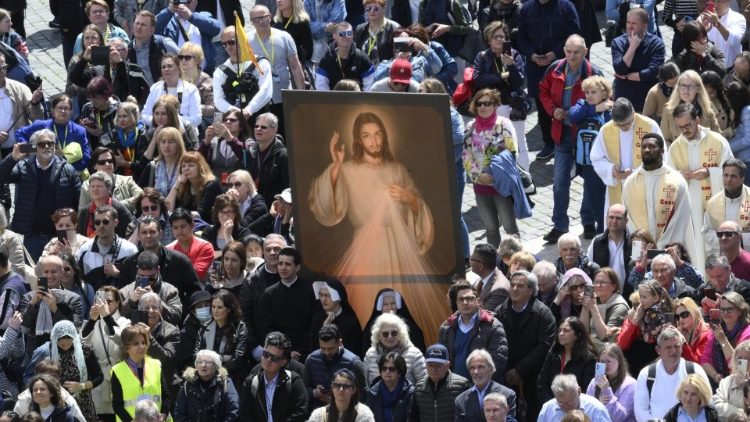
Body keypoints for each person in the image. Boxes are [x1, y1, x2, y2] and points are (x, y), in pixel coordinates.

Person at [309, 111, 437, 287]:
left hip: (400, 249)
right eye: (367, 136)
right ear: (359, 140)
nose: (374, 141)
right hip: (365, 250)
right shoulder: (348, 170)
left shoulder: (397, 169)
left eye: (378, 134)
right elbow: (328, 210)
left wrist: (411, 200)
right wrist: (336, 166)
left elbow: (420, 210)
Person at [539, 35, 603, 243]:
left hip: (586, 137)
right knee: (559, 183)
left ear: (585, 51)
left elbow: (605, 102)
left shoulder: (594, 73)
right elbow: (543, 91)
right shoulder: (555, 69)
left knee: (590, 182)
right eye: (568, 51)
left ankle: (588, 221)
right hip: (562, 134)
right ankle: (559, 225)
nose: (572, 56)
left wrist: (586, 110)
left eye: (576, 52)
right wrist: (553, 110)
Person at [665, 102, 734, 271]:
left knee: (717, 247)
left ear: (698, 120)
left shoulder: (718, 141)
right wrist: (680, 176)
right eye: (680, 127)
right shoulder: (675, 147)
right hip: (690, 209)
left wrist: (710, 173)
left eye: (688, 125)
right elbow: (668, 180)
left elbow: (732, 170)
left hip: (715, 204)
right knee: (695, 249)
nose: (685, 130)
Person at [493, 270, 556, 420]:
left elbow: (545, 347)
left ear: (531, 290)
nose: (514, 289)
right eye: (512, 285)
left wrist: (519, 371)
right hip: (506, 376)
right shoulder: (500, 311)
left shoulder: (543, 314)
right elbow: (496, 343)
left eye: (520, 286)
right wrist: (508, 371)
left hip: (534, 377)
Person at [462, 89, 521, 247]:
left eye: (487, 103)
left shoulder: (504, 124)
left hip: (501, 185)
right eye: (479, 103)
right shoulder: (470, 127)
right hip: (481, 186)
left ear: (495, 105)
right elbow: (466, 155)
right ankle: (493, 262)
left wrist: (495, 175)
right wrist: (478, 176)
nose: (483, 107)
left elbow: (512, 152)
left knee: (510, 227)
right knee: (491, 228)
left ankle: (516, 259)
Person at [622, 132, 695, 252]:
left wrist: (663, 243)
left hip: (669, 245)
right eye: (643, 147)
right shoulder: (631, 182)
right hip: (639, 245)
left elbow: (682, 214)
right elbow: (628, 216)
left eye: (651, 147)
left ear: (662, 151)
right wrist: (641, 239)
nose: (646, 150)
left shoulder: (676, 180)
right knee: (638, 269)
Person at [590, 98, 662, 219]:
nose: (624, 128)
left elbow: (661, 156)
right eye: (619, 125)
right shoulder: (607, 130)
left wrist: (636, 173)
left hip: (645, 185)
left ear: (633, 113)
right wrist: (611, 170)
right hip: (618, 187)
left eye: (627, 124)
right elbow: (596, 158)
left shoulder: (649, 126)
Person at [26, 321, 103, 422]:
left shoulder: (85, 350)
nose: (65, 343)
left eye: (69, 339)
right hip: (55, 404)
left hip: (84, 404)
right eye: (61, 339)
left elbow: (99, 377)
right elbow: (31, 376)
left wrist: (81, 386)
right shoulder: (46, 351)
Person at [567, 75, 613, 237]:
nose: (589, 95)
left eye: (593, 92)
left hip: (608, 162)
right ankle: (601, 233)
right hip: (588, 164)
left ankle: (607, 230)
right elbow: (572, 115)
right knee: (595, 199)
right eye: (587, 92)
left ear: (604, 93)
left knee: (608, 197)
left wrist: (604, 109)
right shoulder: (583, 105)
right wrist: (593, 109)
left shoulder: (611, 109)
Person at [249, 4, 305, 135]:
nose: (260, 21)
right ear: (251, 22)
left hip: (283, 96)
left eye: (263, 17)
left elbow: (295, 67)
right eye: (256, 19)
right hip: (259, 99)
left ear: (270, 17)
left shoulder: (284, 36)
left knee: (285, 134)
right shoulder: (246, 40)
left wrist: (301, 94)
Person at [633, 326, 711, 421]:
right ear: (658, 350)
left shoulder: (695, 370)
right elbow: (640, 410)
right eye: (668, 347)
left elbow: (708, 402)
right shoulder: (647, 374)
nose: (673, 351)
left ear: (682, 347)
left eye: (677, 346)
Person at [437, 280, 507, 381]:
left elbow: (498, 362)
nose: (465, 303)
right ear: (456, 303)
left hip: (482, 387)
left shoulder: (493, 326)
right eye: (461, 299)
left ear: (477, 301)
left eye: (469, 298)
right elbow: (441, 361)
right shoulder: (446, 328)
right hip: (453, 388)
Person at [255, 247, 316, 358]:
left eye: (287, 264)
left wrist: (299, 350)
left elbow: (312, 324)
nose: (283, 268)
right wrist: (283, 351)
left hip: (303, 353)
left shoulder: (309, 290)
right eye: (280, 263)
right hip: (277, 354)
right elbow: (265, 327)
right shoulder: (269, 294)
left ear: (297, 267)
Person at [81, 285, 130, 422]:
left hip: (118, 376)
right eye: (102, 300)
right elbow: (82, 344)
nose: (105, 304)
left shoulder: (125, 322)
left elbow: (122, 340)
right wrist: (92, 320)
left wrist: (107, 316)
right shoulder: (91, 323)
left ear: (117, 303)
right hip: (98, 380)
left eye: (109, 301)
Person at [19, 255, 83, 357]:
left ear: (62, 273)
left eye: (54, 272)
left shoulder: (73, 299)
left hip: (63, 354)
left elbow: (74, 330)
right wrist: (33, 304)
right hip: (34, 355)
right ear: (41, 274)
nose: (49, 276)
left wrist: (55, 309)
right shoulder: (29, 297)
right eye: (46, 272)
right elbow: (23, 329)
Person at [238, 332, 308, 421]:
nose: (268, 360)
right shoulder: (251, 381)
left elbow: (301, 413)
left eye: (274, 358)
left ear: (283, 362)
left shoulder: (294, 381)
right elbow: (245, 414)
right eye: (266, 354)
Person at [110, 324, 170, 422]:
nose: (141, 346)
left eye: (143, 342)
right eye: (136, 344)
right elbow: (117, 405)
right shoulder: (117, 371)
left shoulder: (156, 365)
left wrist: (163, 415)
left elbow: (165, 395)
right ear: (126, 348)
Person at [610, 8, 666, 112]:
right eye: (628, 22)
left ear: (644, 26)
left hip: (647, 101)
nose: (629, 26)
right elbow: (620, 69)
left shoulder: (656, 44)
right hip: (623, 101)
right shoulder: (617, 42)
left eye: (634, 23)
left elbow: (653, 72)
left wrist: (626, 77)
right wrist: (632, 48)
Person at [212, 26, 273, 120]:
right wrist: (236, 112)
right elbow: (218, 99)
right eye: (224, 44)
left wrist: (249, 110)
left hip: (258, 118)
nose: (228, 47)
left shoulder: (260, 63)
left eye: (231, 42)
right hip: (232, 120)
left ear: (243, 40)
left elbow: (266, 91)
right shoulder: (220, 71)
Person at [617, 280, 675, 374]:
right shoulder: (660, 309)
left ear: (655, 298)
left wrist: (639, 321)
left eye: (644, 297)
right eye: (640, 297)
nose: (641, 301)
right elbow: (622, 344)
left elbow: (648, 339)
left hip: (655, 351)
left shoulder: (652, 312)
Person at [75, 204, 138, 290]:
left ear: (115, 223)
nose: (101, 226)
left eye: (105, 222)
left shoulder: (130, 249)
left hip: (121, 300)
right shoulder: (84, 249)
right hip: (92, 301)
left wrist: (117, 274)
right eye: (97, 222)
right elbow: (78, 280)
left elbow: (136, 282)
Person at [194, 290, 249, 386]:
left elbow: (238, 358)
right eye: (213, 307)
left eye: (220, 307)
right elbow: (197, 353)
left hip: (231, 378)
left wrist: (218, 366)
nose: (215, 311)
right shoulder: (205, 326)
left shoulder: (240, 328)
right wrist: (222, 358)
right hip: (205, 376)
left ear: (229, 309)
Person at [537, 317, 597, 405]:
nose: (561, 333)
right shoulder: (554, 354)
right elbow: (542, 383)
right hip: (552, 405)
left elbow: (588, 390)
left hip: (575, 408)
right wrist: (553, 404)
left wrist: (567, 404)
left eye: (566, 331)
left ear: (577, 335)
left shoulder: (588, 359)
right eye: (560, 330)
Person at [173, 349, 239, 422]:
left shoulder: (225, 383)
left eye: (208, 362)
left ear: (216, 365)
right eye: (200, 362)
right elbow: (179, 413)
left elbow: (234, 410)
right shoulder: (187, 385)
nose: (203, 365)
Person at [154, 0, 221, 73]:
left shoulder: (203, 15)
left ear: (195, 3)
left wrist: (191, 16)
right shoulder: (168, 20)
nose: (184, 4)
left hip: (203, 73)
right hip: (177, 74)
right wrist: (169, 10)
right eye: (181, 1)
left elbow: (216, 29)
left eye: (188, 1)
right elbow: (152, 30)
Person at [410, 343, 470, 422]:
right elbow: (414, 417)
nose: (434, 369)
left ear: (447, 365)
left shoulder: (462, 386)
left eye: (438, 365)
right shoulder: (419, 388)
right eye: (430, 365)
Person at [701, 292, 750, 387]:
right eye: (722, 309)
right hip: (721, 383)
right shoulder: (717, 329)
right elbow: (704, 360)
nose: (725, 313)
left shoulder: (747, 332)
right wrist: (715, 375)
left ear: (740, 311)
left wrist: (723, 340)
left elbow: (739, 367)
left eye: (730, 309)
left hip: (742, 384)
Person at [363, 312, 426, 386]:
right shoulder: (370, 354)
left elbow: (423, 383)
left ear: (401, 334)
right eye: (385, 334)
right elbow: (364, 383)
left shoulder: (414, 354)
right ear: (378, 336)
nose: (390, 337)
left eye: (394, 333)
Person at [454, 349, 517, 421]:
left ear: (491, 369)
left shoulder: (507, 394)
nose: (476, 372)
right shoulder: (460, 400)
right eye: (472, 368)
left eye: (480, 367)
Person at [0, 52, 43, 158]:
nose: (2, 71)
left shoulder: (20, 88)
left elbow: (37, 120)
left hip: (22, 149)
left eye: (4, 67)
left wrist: (35, 103)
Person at [660, 70, 721, 144]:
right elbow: (664, 140)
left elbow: (718, 137)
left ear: (698, 89)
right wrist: (675, 153)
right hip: (678, 153)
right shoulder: (668, 110)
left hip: (703, 152)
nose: (686, 90)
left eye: (690, 86)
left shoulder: (707, 108)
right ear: (678, 87)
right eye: (683, 85)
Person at [703, 160, 750, 255]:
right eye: (726, 175)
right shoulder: (713, 202)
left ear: (742, 178)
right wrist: (724, 240)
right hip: (722, 256)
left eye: (733, 176)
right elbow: (707, 230)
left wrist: (739, 240)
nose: (728, 179)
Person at [141, 57, 202, 128]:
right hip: (159, 132)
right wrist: (159, 121)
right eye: (163, 67)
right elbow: (145, 115)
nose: (166, 69)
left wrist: (173, 121)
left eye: (170, 66)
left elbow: (197, 118)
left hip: (185, 133)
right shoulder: (155, 88)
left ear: (179, 69)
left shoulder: (191, 89)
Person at [580, 268, 629, 353]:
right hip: (591, 348)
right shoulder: (596, 299)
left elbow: (605, 336)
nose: (598, 286)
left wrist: (593, 308)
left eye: (603, 283)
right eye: (596, 282)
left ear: (614, 286)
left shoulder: (620, 306)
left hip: (608, 354)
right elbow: (582, 331)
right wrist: (585, 306)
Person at [79, 148, 143, 214]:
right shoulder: (86, 186)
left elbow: (141, 194)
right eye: (102, 162)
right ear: (94, 165)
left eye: (110, 161)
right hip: (99, 223)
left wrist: (117, 205)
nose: (107, 164)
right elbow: (82, 213)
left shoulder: (127, 180)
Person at [361, 289, 425, 353]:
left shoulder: (411, 327)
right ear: (380, 307)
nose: (390, 307)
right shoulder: (371, 329)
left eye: (393, 303)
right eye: (385, 304)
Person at [309, 281, 363, 357]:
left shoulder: (350, 323)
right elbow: (313, 349)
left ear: (338, 298)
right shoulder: (317, 319)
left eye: (328, 295)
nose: (323, 299)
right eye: (321, 295)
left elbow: (354, 352)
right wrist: (325, 326)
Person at [316, 22, 374, 91]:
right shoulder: (326, 59)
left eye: (349, 33)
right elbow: (322, 87)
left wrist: (362, 101)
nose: (346, 37)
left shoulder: (362, 58)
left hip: (357, 100)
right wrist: (330, 101)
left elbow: (369, 87)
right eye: (342, 34)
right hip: (334, 100)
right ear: (334, 36)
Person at [165, 151, 221, 222]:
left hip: (207, 226)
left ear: (200, 168)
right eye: (183, 166)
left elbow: (202, 214)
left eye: (191, 165)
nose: (186, 168)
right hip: (188, 225)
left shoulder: (211, 184)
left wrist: (178, 215)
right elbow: (168, 208)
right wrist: (176, 184)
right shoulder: (183, 185)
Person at [245, 112, 289, 205]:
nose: (258, 129)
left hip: (273, 207)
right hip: (253, 203)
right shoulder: (250, 151)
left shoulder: (283, 155)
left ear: (274, 130)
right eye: (256, 126)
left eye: (263, 127)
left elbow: (288, 187)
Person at [585, 344, 636, 422]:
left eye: (609, 361)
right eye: (602, 362)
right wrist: (599, 405)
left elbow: (618, 418)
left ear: (619, 361)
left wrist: (606, 391)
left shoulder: (630, 384)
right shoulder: (594, 382)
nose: (605, 365)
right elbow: (586, 411)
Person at [76, 172, 135, 239]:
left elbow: (131, 231)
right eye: (92, 186)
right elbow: (80, 236)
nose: (95, 189)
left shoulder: (119, 209)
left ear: (109, 189)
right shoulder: (84, 212)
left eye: (99, 186)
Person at [587, 205, 631, 290]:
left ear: (626, 221)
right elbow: (588, 266)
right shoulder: (597, 241)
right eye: (611, 217)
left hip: (627, 295)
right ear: (606, 218)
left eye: (618, 218)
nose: (614, 221)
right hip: (603, 295)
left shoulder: (633, 243)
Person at [197, 109, 250, 179]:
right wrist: (206, 142)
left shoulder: (248, 142)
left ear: (241, 126)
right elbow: (198, 161)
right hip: (216, 187)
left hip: (237, 187)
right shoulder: (214, 142)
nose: (228, 122)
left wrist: (230, 139)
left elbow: (248, 158)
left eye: (233, 120)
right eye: (225, 119)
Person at [136, 126, 187, 196]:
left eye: (171, 142)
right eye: (163, 142)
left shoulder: (186, 167)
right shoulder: (152, 167)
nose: (166, 145)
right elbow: (141, 193)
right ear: (159, 145)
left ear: (178, 144)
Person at [538, 374, 612, 422]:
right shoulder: (547, 409)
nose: (566, 407)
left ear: (579, 391)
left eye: (570, 402)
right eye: (561, 403)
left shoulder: (596, 409)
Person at [165, 208, 213, 281]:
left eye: (183, 226)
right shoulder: (167, 250)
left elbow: (197, 274)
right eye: (175, 228)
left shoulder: (205, 246)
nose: (179, 231)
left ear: (192, 225)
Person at [308, 368, 374, 421]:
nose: (341, 389)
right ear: (332, 388)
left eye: (346, 386)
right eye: (337, 385)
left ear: (354, 390)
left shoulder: (364, 415)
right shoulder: (319, 415)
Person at [365, 353, 414, 422]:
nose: (387, 372)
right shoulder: (372, 393)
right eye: (384, 368)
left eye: (392, 369)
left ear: (400, 372)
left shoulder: (409, 393)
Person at [710, 340, 750, 418]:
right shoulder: (727, 382)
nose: (743, 361)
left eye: (748, 358)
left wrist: (746, 386)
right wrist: (740, 413)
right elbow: (716, 404)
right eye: (740, 358)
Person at [353, 0, 400, 65]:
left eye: (376, 8)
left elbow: (400, 55)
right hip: (364, 72)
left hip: (386, 71)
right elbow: (354, 52)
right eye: (368, 8)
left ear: (384, 9)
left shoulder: (395, 28)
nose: (372, 11)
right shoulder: (360, 29)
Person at [178, 42, 214, 124]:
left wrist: (191, 106)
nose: (183, 60)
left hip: (198, 123)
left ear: (198, 60)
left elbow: (213, 108)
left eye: (187, 58)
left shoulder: (206, 80)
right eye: (180, 57)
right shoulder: (174, 77)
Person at [469, 243, 510, 312]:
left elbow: (482, 317)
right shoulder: (484, 276)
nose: (469, 261)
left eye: (471, 259)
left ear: (480, 266)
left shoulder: (499, 290)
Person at [273, 0, 313, 64]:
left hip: (294, 67)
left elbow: (308, 53)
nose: (278, 1)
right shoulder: (275, 22)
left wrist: (288, 48)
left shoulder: (302, 22)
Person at [673, 297, 711, 363]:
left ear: (694, 312)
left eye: (684, 315)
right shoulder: (682, 331)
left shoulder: (706, 334)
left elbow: (696, 362)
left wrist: (682, 340)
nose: (680, 319)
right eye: (677, 317)